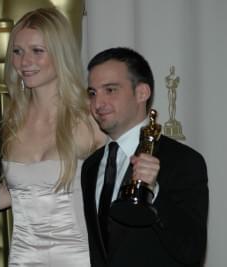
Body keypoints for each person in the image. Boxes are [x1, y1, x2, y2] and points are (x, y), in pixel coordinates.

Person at [82, 47, 208, 267]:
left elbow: (192, 251)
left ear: (142, 93)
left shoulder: (183, 161)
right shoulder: (90, 166)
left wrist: (155, 193)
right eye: (92, 93)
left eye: (110, 90)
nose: (98, 104)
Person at [0, 8, 105, 266]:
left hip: (81, 258)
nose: (24, 62)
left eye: (37, 51)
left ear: (60, 53)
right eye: (17, 51)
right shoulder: (11, 122)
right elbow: (16, 192)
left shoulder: (91, 116)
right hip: (23, 259)